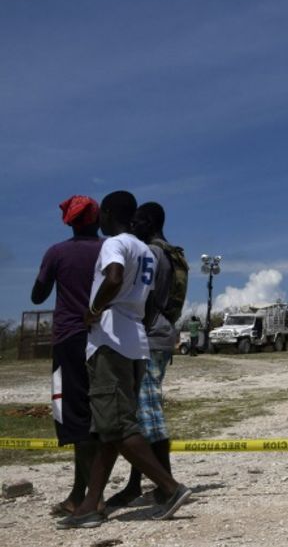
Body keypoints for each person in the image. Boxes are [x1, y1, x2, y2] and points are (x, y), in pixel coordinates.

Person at [59, 191, 191, 529]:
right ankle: (90, 505)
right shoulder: (147, 251)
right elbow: (147, 303)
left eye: (102, 214)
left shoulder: (114, 244)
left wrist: (93, 310)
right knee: (109, 429)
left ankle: (170, 488)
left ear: (107, 214)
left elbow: (113, 278)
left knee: (116, 426)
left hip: (110, 342)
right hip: (136, 342)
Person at [105, 202, 185, 508]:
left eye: (138, 221)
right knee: (142, 410)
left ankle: (168, 486)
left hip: (150, 337)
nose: (133, 226)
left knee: (149, 411)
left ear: (149, 222)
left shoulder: (150, 253)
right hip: (163, 335)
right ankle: (136, 484)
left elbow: (145, 299)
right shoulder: (172, 252)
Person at [31, 195, 104, 517]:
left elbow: (38, 295)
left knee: (75, 419)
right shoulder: (109, 250)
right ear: (98, 220)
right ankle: (85, 492)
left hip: (68, 340)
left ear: (70, 222)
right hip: (105, 340)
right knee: (102, 416)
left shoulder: (56, 253)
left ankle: (86, 496)